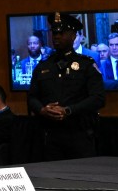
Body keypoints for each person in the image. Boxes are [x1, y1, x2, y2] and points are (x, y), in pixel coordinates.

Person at [27, 14, 105, 160]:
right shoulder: (44, 65)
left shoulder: (86, 64)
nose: (56, 36)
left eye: (61, 33)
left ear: (73, 36)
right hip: (50, 135)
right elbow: (32, 97)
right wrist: (42, 110)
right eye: (54, 33)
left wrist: (69, 110)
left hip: (79, 133)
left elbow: (98, 99)